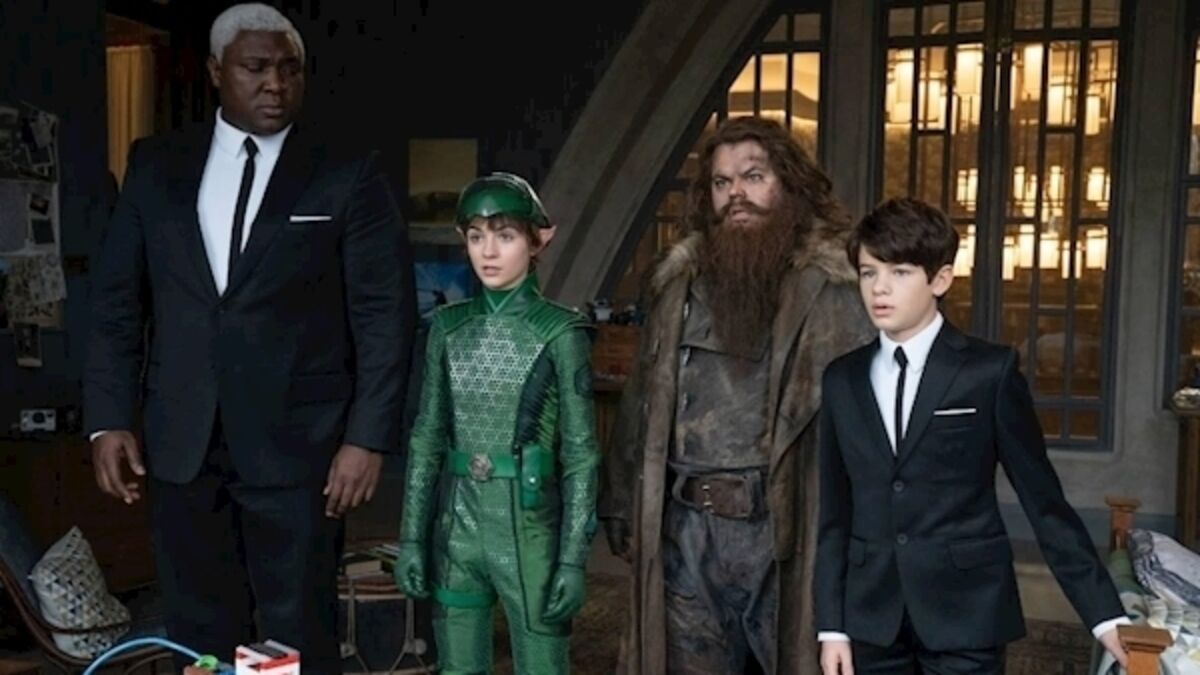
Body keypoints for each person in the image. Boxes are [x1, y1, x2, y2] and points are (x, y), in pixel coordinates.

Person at [83, 4, 416, 672]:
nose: (275, 84)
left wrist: (368, 437)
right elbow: (117, 303)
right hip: (182, 445)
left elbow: (386, 315)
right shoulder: (156, 165)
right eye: (256, 67)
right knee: (198, 631)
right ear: (215, 71)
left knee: (297, 634)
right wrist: (108, 418)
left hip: (301, 452)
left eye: (290, 69)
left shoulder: (347, 170)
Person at [600, 116, 874, 673]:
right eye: (722, 183)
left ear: (790, 184)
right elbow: (643, 400)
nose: (736, 195)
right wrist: (622, 499)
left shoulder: (836, 291)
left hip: (782, 529)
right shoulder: (678, 286)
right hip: (686, 529)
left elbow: (866, 426)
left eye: (753, 176)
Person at [814, 197, 1129, 674]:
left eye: (900, 272)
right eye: (868, 272)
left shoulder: (989, 372)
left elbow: (1044, 503)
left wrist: (1105, 616)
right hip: (870, 618)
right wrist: (831, 628)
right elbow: (834, 515)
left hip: (967, 614)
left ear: (940, 279)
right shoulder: (842, 378)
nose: (879, 288)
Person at [393, 172, 600, 673]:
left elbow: (581, 455)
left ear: (538, 240)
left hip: (531, 532)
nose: (488, 252)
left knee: (542, 665)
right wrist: (412, 539)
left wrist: (573, 559)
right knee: (458, 666)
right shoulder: (448, 327)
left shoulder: (561, 333)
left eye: (505, 235)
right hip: (457, 528)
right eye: (476, 236)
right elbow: (426, 438)